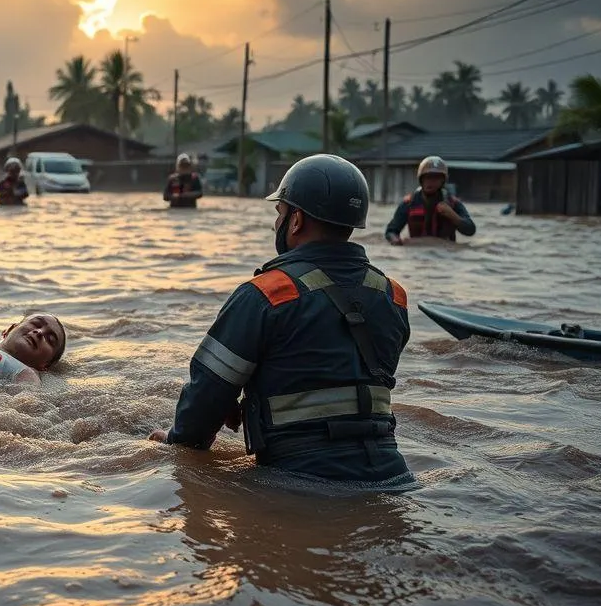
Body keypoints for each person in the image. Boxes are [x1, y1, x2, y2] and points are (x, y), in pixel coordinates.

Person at [148, 153, 412, 484]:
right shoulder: (393, 296)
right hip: (394, 479)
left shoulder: (266, 294)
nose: (277, 224)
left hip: (302, 481)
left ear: (297, 220)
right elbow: (345, 374)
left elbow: (205, 396)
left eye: (280, 213)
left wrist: (176, 444)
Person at [384, 155, 475, 244]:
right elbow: (391, 231)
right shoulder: (409, 203)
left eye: (435, 178)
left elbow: (470, 230)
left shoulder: (453, 204)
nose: (430, 182)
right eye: (427, 177)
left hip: (446, 253)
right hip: (417, 253)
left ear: (442, 181)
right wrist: (395, 240)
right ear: (421, 179)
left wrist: (453, 215)